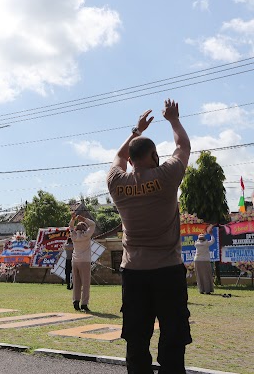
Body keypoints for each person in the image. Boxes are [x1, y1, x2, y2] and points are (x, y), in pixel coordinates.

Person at [107, 99, 192, 373]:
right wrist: (174, 120)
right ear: (155, 156)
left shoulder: (117, 184)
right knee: (173, 339)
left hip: (133, 273)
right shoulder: (167, 176)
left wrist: (136, 131)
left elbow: (118, 158)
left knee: (136, 340)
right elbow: (183, 148)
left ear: (132, 162)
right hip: (168, 271)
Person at [69, 214, 96, 312]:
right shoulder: (86, 235)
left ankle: (75, 301)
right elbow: (92, 225)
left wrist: (73, 219)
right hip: (85, 261)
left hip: (75, 260)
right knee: (85, 283)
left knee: (76, 282)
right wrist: (83, 218)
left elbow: (70, 227)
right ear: (85, 228)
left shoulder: (73, 235)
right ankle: (84, 303)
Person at [194, 226, 215, 295]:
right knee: (207, 275)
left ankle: (201, 290)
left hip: (197, 261)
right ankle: (207, 290)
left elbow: (197, 240)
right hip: (205, 261)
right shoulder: (206, 243)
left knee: (199, 276)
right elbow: (213, 240)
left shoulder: (196, 244)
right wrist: (211, 234)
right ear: (204, 239)